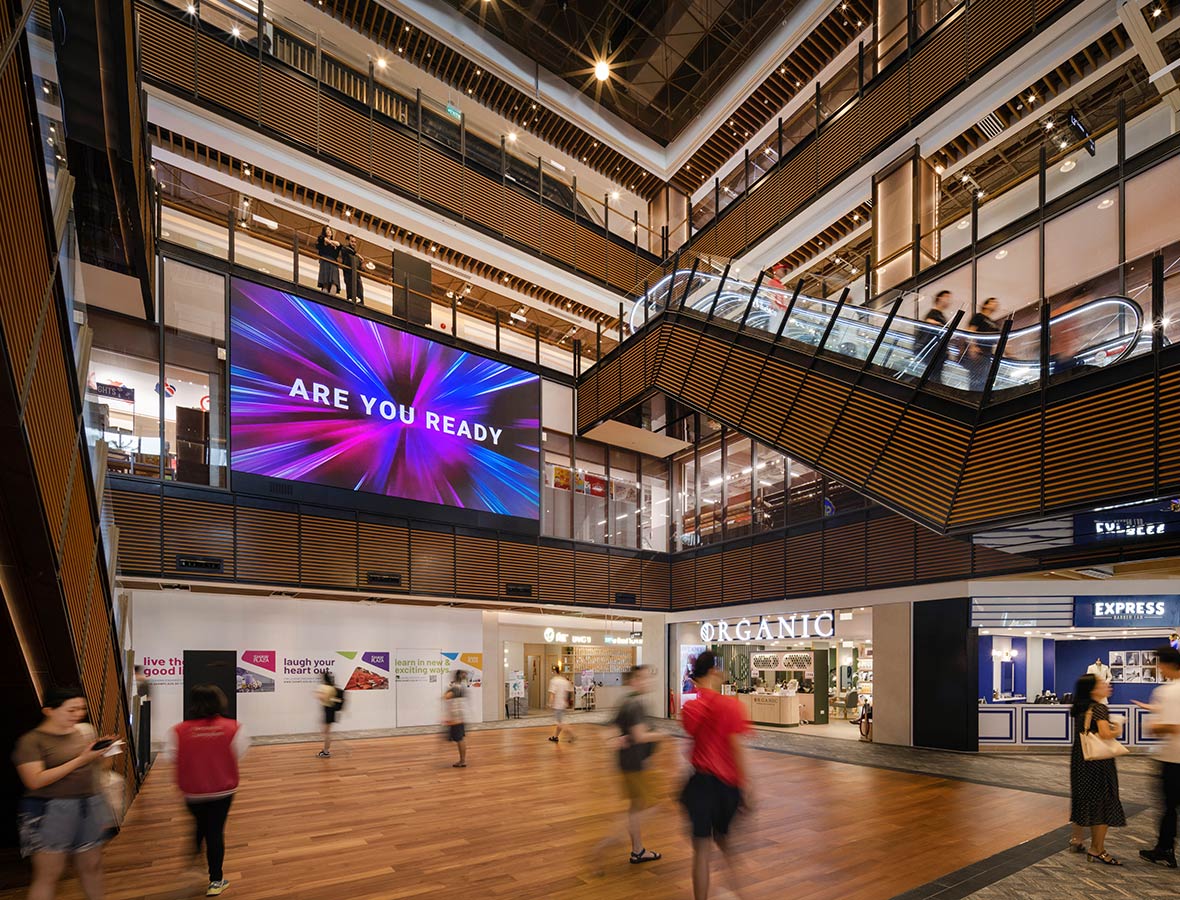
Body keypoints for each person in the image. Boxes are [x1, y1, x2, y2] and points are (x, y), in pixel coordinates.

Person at [13, 687, 118, 900]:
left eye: (81, 709)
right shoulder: (31, 741)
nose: (78, 714)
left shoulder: (83, 731)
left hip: (89, 805)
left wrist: (104, 753)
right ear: (49, 711)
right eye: (71, 710)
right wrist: (83, 759)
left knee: (93, 866)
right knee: (49, 874)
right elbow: (34, 780)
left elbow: (100, 769)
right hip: (50, 810)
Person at [681, 651, 751, 900]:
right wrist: (747, 786)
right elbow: (736, 748)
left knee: (701, 849)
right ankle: (738, 890)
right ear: (713, 671)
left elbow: (692, 733)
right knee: (724, 840)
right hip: (725, 785)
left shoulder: (690, 708)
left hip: (699, 783)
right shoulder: (730, 706)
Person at [166, 685, 249, 897]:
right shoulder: (233, 728)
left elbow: (172, 757)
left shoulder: (178, 730)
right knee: (215, 831)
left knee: (201, 824)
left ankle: (194, 854)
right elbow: (239, 753)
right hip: (223, 790)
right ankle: (215, 880)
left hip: (192, 792)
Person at [595, 665, 662, 869]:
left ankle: (638, 850)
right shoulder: (635, 705)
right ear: (633, 681)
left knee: (637, 806)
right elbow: (640, 736)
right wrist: (664, 735)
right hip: (635, 764)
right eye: (641, 678)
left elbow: (607, 732)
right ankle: (612, 840)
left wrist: (615, 740)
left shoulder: (627, 702)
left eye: (647, 678)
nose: (647, 681)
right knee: (651, 806)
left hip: (630, 763)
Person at [1068, 674, 1126, 864]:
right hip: (1098, 763)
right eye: (1102, 684)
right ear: (1093, 689)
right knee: (1103, 801)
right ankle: (1097, 849)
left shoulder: (1080, 708)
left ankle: (1077, 839)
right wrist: (1117, 728)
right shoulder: (1099, 708)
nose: (1107, 685)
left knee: (1085, 798)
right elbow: (1104, 733)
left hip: (1081, 761)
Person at [1136, 646, 1180, 867]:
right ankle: (1164, 847)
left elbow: (1171, 727)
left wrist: (1153, 726)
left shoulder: (1168, 691)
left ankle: (1164, 849)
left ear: (1164, 664)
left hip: (1173, 759)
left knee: (1169, 807)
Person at [963, 297, 1001, 392]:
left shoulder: (994, 323)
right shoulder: (979, 316)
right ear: (985, 305)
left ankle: (982, 395)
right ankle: (973, 396)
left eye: (996, 303)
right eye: (992, 302)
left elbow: (999, 340)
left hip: (987, 354)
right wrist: (972, 346)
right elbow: (970, 331)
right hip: (978, 351)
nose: (995, 304)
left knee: (986, 377)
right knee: (976, 377)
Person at [916, 290, 952, 382]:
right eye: (946, 297)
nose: (949, 300)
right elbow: (928, 323)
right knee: (934, 377)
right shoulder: (933, 313)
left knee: (935, 377)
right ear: (939, 298)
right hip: (933, 351)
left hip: (939, 352)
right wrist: (936, 324)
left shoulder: (941, 315)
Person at [315, 671, 344, 758]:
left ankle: (326, 752)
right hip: (330, 711)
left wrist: (320, 694)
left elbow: (321, 697)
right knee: (326, 732)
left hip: (328, 711)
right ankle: (326, 751)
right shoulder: (332, 688)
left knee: (326, 733)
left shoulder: (324, 687)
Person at [443, 670, 469, 768]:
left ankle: (462, 761)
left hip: (456, 718)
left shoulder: (455, 688)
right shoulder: (461, 687)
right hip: (458, 717)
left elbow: (446, 697)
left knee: (459, 739)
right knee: (459, 739)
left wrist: (448, 690)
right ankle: (462, 760)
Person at [547, 666, 574, 743]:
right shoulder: (564, 680)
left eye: (552, 671)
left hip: (557, 705)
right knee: (560, 721)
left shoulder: (553, 681)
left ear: (554, 671)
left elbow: (552, 694)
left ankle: (571, 734)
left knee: (559, 723)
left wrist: (550, 704)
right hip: (563, 704)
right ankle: (555, 737)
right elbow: (569, 692)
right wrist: (568, 702)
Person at [339, 234, 365, 305]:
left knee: (359, 291)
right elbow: (346, 249)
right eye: (352, 241)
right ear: (348, 241)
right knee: (350, 291)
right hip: (349, 275)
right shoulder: (345, 249)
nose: (354, 243)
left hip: (357, 276)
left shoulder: (356, 257)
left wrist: (362, 265)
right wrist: (357, 254)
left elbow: (360, 268)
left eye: (355, 242)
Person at [315, 225, 341, 294]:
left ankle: (332, 298)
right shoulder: (322, 240)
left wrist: (331, 242)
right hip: (325, 261)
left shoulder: (335, 242)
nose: (329, 231)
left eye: (330, 230)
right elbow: (321, 238)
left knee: (334, 282)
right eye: (327, 230)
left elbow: (339, 244)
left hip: (334, 262)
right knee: (325, 283)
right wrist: (330, 243)